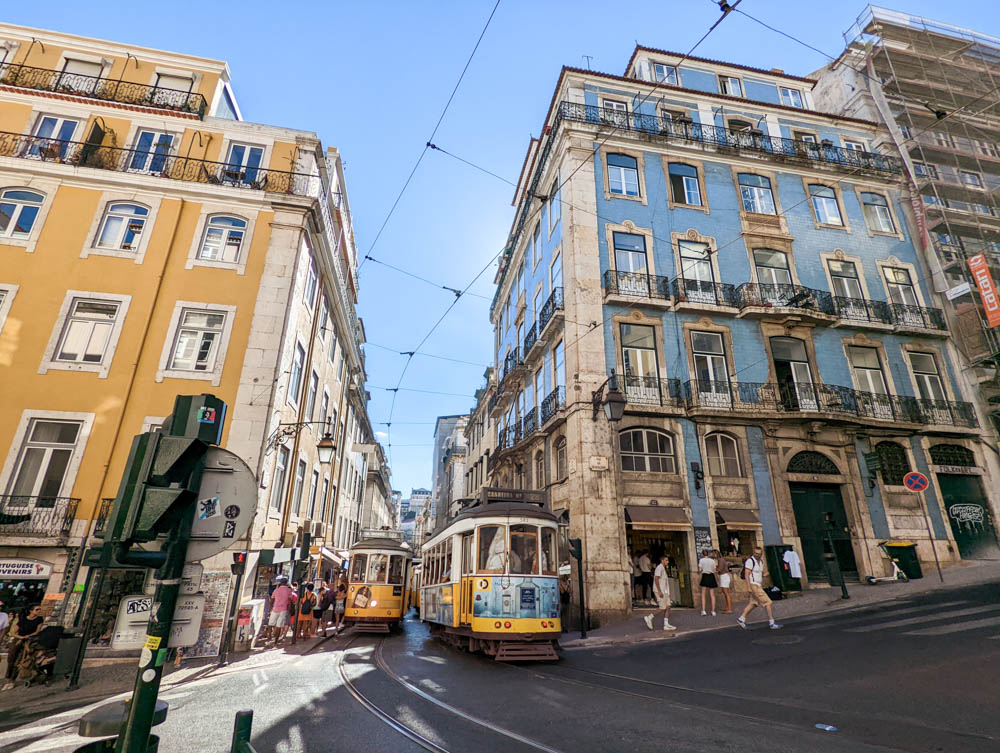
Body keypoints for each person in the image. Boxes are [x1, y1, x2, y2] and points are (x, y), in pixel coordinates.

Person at [738, 547, 782, 630]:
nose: (757, 555)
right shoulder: (750, 561)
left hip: (758, 584)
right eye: (756, 553)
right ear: (753, 553)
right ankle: (771, 622)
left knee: (753, 603)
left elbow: (761, 573)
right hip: (754, 585)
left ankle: (741, 618)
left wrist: (766, 574)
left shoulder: (761, 562)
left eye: (759, 554)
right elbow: (747, 574)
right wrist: (748, 587)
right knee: (768, 602)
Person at [3, 605, 44, 690]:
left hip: (29, 640)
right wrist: (20, 637)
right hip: (19, 639)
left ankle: (12, 679)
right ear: (31, 611)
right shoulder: (23, 619)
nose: (39, 611)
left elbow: (37, 631)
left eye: (39, 609)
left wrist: (28, 636)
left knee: (20, 659)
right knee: (11, 657)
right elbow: (14, 632)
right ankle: (8, 677)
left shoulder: (39, 619)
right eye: (37, 609)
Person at [643, 554, 677, 632]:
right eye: (666, 560)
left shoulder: (663, 568)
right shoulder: (659, 568)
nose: (667, 562)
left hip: (665, 591)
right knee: (662, 607)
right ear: (662, 560)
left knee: (668, 606)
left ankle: (666, 624)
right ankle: (649, 617)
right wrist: (659, 591)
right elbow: (656, 579)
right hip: (660, 590)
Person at [268, 577, 295, 646]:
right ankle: (276, 640)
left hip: (275, 608)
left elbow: (272, 599)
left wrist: (270, 608)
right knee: (279, 625)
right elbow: (290, 601)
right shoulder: (289, 591)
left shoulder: (276, 590)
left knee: (271, 623)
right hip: (283, 609)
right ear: (286, 582)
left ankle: (270, 636)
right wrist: (289, 610)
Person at [698, 549, 718, 616]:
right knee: (712, 595)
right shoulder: (712, 561)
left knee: (703, 594)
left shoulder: (701, 560)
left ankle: (703, 610)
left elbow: (700, 569)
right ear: (708, 554)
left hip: (705, 575)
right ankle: (713, 611)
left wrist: (700, 572)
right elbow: (715, 570)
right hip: (711, 576)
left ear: (703, 554)